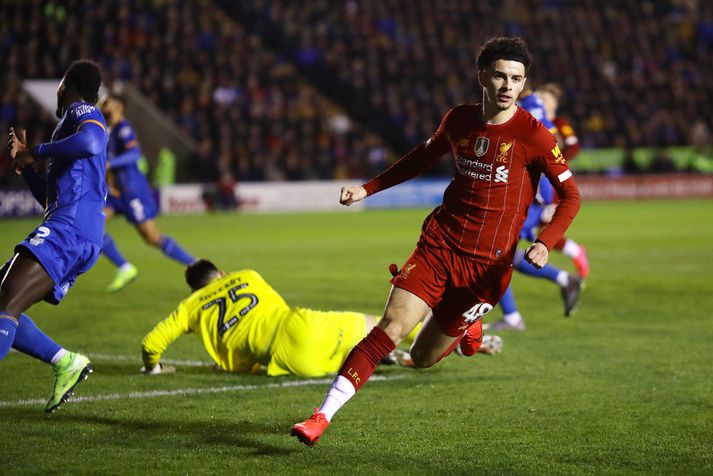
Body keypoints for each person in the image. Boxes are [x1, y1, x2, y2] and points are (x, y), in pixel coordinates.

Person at [291, 37, 581, 446]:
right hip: (439, 245)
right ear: (482, 75)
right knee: (391, 327)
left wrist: (545, 242)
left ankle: (467, 329)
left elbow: (572, 196)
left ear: (523, 84)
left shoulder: (535, 136)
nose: (506, 85)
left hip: (486, 269)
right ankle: (321, 417)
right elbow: (419, 159)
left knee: (422, 359)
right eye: (499, 75)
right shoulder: (459, 120)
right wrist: (367, 189)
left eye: (516, 79)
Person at [140, 260, 503, 377]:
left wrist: (153, 368)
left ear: (194, 289)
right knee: (387, 327)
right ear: (219, 274)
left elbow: (151, 343)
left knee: (361, 355)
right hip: (303, 326)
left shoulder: (190, 308)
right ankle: (459, 339)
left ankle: (388, 356)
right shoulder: (246, 276)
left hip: (287, 362)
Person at [2, 60, 107, 412]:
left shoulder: (83, 112)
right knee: (4, 301)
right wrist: (29, 167)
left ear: (67, 85)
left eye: (61, 84)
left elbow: (93, 141)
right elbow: (49, 198)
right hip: (70, 228)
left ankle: (66, 362)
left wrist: (39, 151)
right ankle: (65, 362)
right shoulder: (66, 130)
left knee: (4, 302)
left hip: (70, 231)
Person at [100, 93, 195, 292]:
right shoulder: (108, 130)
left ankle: (195, 264)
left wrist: (110, 164)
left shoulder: (123, 128)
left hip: (132, 191)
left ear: (118, 106)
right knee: (92, 227)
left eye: (107, 102)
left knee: (152, 238)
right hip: (115, 193)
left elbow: (134, 153)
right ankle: (125, 268)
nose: (102, 105)